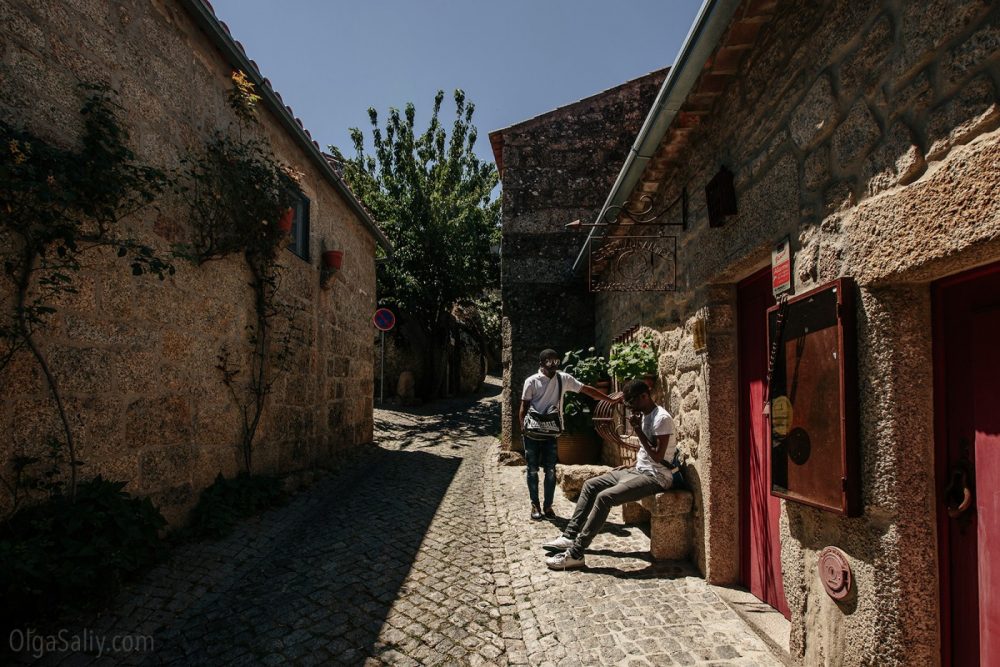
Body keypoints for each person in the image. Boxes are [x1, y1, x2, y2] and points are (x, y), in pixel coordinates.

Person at [543, 378, 677, 570]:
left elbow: (657, 457)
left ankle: (576, 554)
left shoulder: (661, 419)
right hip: (638, 470)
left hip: (657, 477)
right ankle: (569, 536)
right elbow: (645, 452)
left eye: (633, 403)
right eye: (628, 404)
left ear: (645, 396)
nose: (631, 408)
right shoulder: (645, 414)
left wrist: (637, 430)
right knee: (591, 485)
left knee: (605, 498)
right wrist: (631, 464)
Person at [520, 348, 620, 521]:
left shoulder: (562, 379)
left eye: (556, 361)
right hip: (533, 433)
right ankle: (534, 504)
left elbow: (586, 389)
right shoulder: (532, 381)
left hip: (551, 432)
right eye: (549, 362)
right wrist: (523, 429)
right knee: (532, 470)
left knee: (550, 471)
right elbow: (524, 407)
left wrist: (608, 399)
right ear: (541, 363)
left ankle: (548, 506)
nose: (554, 365)